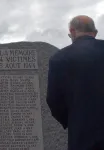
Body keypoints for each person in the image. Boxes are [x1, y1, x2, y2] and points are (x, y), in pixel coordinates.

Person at [46, 15, 104, 150]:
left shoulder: (59, 58)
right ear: (94, 32)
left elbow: (54, 100)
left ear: (72, 31)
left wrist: (72, 120)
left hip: (82, 136)